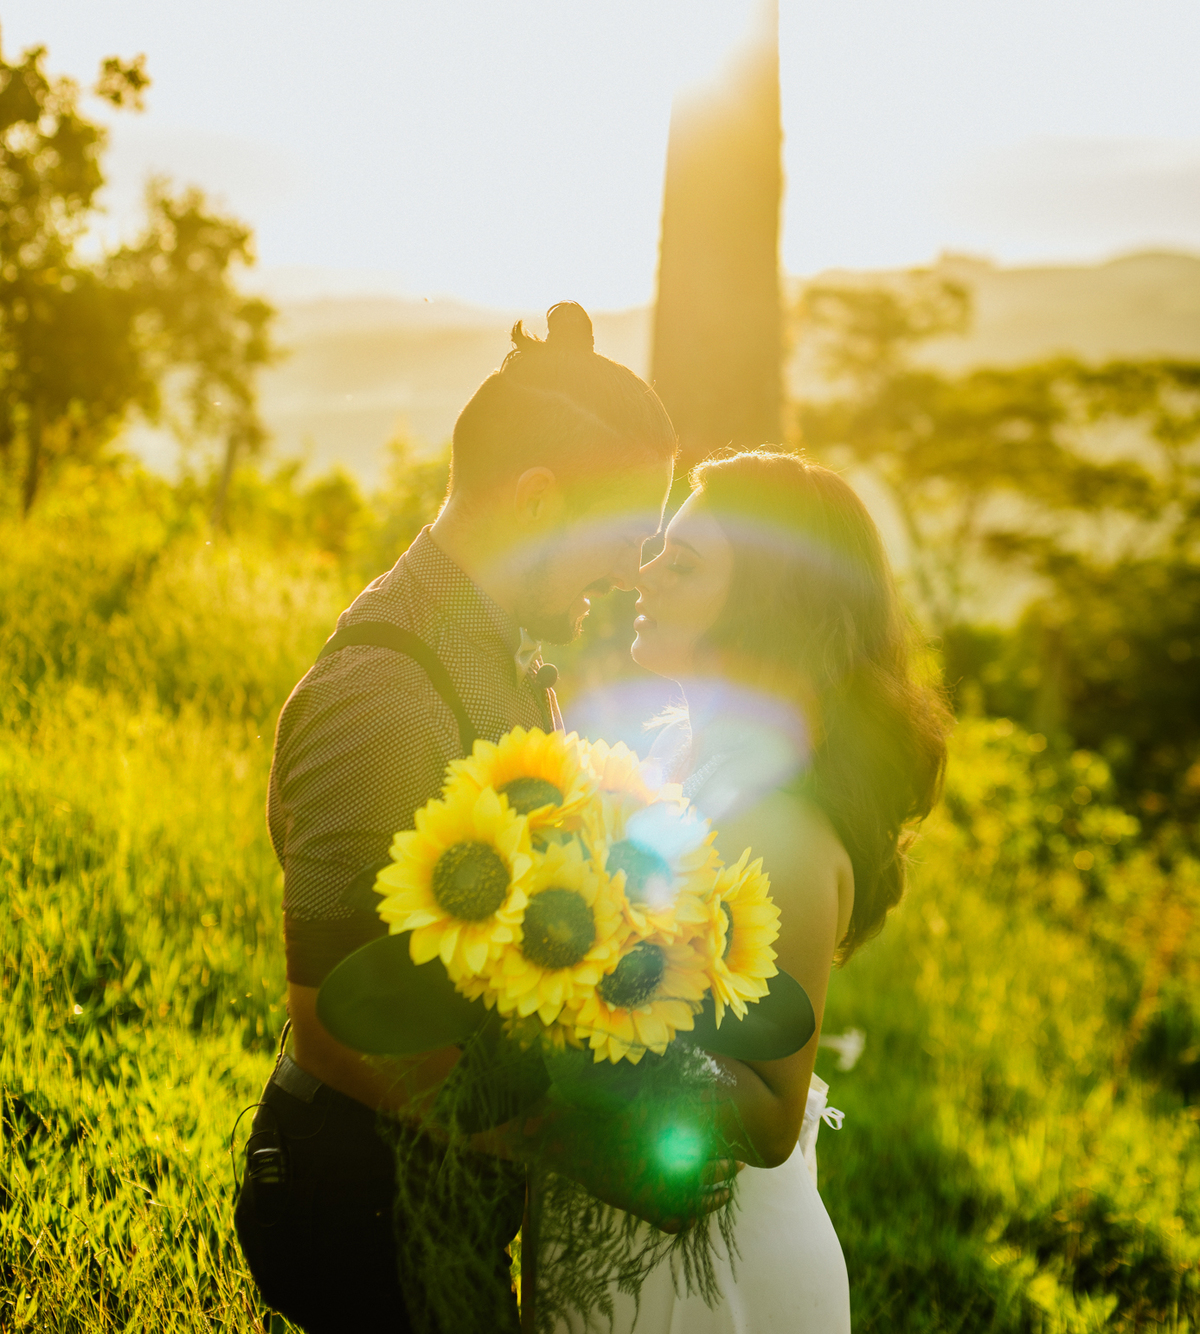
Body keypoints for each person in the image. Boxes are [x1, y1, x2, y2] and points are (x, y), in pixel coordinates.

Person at [235, 301, 677, 1334]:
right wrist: (566, 1143)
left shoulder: (497, 648)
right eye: (621, 536)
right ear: (536, 501)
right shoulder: (382, 696)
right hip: (360, 1204)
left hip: (449, 1187)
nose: (627, 575)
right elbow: (333, 1018)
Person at [559, 448, 950, 1332]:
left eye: (684, 564)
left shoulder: (783, 823)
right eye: (660, 549)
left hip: (709, 1280)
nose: (643, 573)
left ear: (771, 604)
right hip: (620, 1229)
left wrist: (561, 1025)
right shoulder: (667, 753)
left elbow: (771, 1115)